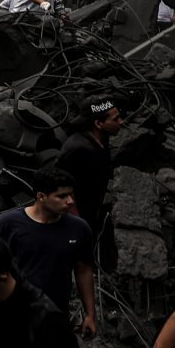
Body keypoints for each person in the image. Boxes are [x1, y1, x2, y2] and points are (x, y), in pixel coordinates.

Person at [0, 168, 97, 333]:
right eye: (62, 196)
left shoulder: (79, 229)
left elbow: (83, 271)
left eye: (71, 195)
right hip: (12, 313)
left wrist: (90, 315)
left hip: (54, 314)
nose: (70, 201)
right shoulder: (7, 224)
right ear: (41, 197)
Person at [58, 97, 121, 258]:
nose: (122, 122)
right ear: (98, 124)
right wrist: (78, 225)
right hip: (78, 213)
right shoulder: (79, 151)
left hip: (93, 207)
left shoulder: (101, 139)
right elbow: (64, 189)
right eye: (115, 119)